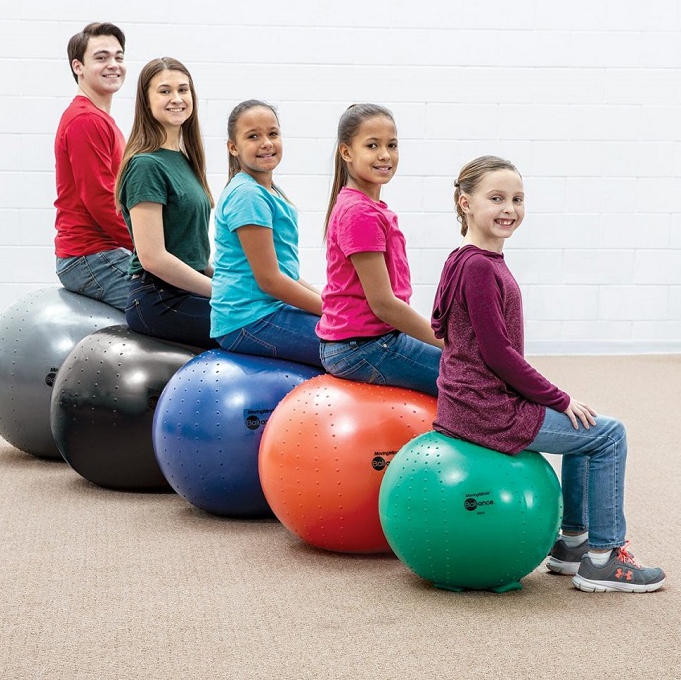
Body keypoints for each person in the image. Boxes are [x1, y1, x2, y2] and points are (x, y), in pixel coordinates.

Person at [431, 155, 665, 593]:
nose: (509, 209)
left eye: (517, 199)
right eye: (496, 198)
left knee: (586, 429)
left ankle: (572, 544)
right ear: (465, 203)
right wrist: (556, 398)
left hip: (470, 402)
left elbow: (442, 326)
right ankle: (604, 558)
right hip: (485, 409)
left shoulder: (463, 260)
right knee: (609, 435)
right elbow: (498, 353)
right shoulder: (481, 266)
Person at [316, 103, 444, 396]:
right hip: (361, 347)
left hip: (364, 341)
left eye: (392, 144)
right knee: (472, 378)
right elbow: (383, 305)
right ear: (347, 152)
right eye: (372, 145)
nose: (385, 155)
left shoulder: (364, 207)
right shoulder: (360, 213)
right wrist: (448, 343)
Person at [210, 100, 322, 367]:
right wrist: (334, 312)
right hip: (248, 320)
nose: (266, 143)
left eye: (273, 133)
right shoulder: (247, 195)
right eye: (253, 136)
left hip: (265, 312)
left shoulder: (267, 190)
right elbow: (270, 281)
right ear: (233, 147)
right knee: (352, 345)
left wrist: (330, 301)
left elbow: (286, 274)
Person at [115, 57, 216, 348]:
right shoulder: (145, 165)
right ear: (146, 101)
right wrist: (220, 292)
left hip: (186, 290)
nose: (177, 98)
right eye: (165, 91)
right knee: (254, 320)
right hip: (159, 300)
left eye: (183, 90)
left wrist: (234, 282)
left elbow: (191, 256)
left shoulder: (185, 160)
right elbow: (154, 258)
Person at [54, 22, 133, 310]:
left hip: (104, 252)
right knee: (169, 310)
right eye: (101, 58)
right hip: (90, 258)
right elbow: (100, 199)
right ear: (78, 66)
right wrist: (147, 248)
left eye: (119, 57)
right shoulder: (85, 121)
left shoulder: (99, 119)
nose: (113, 65)